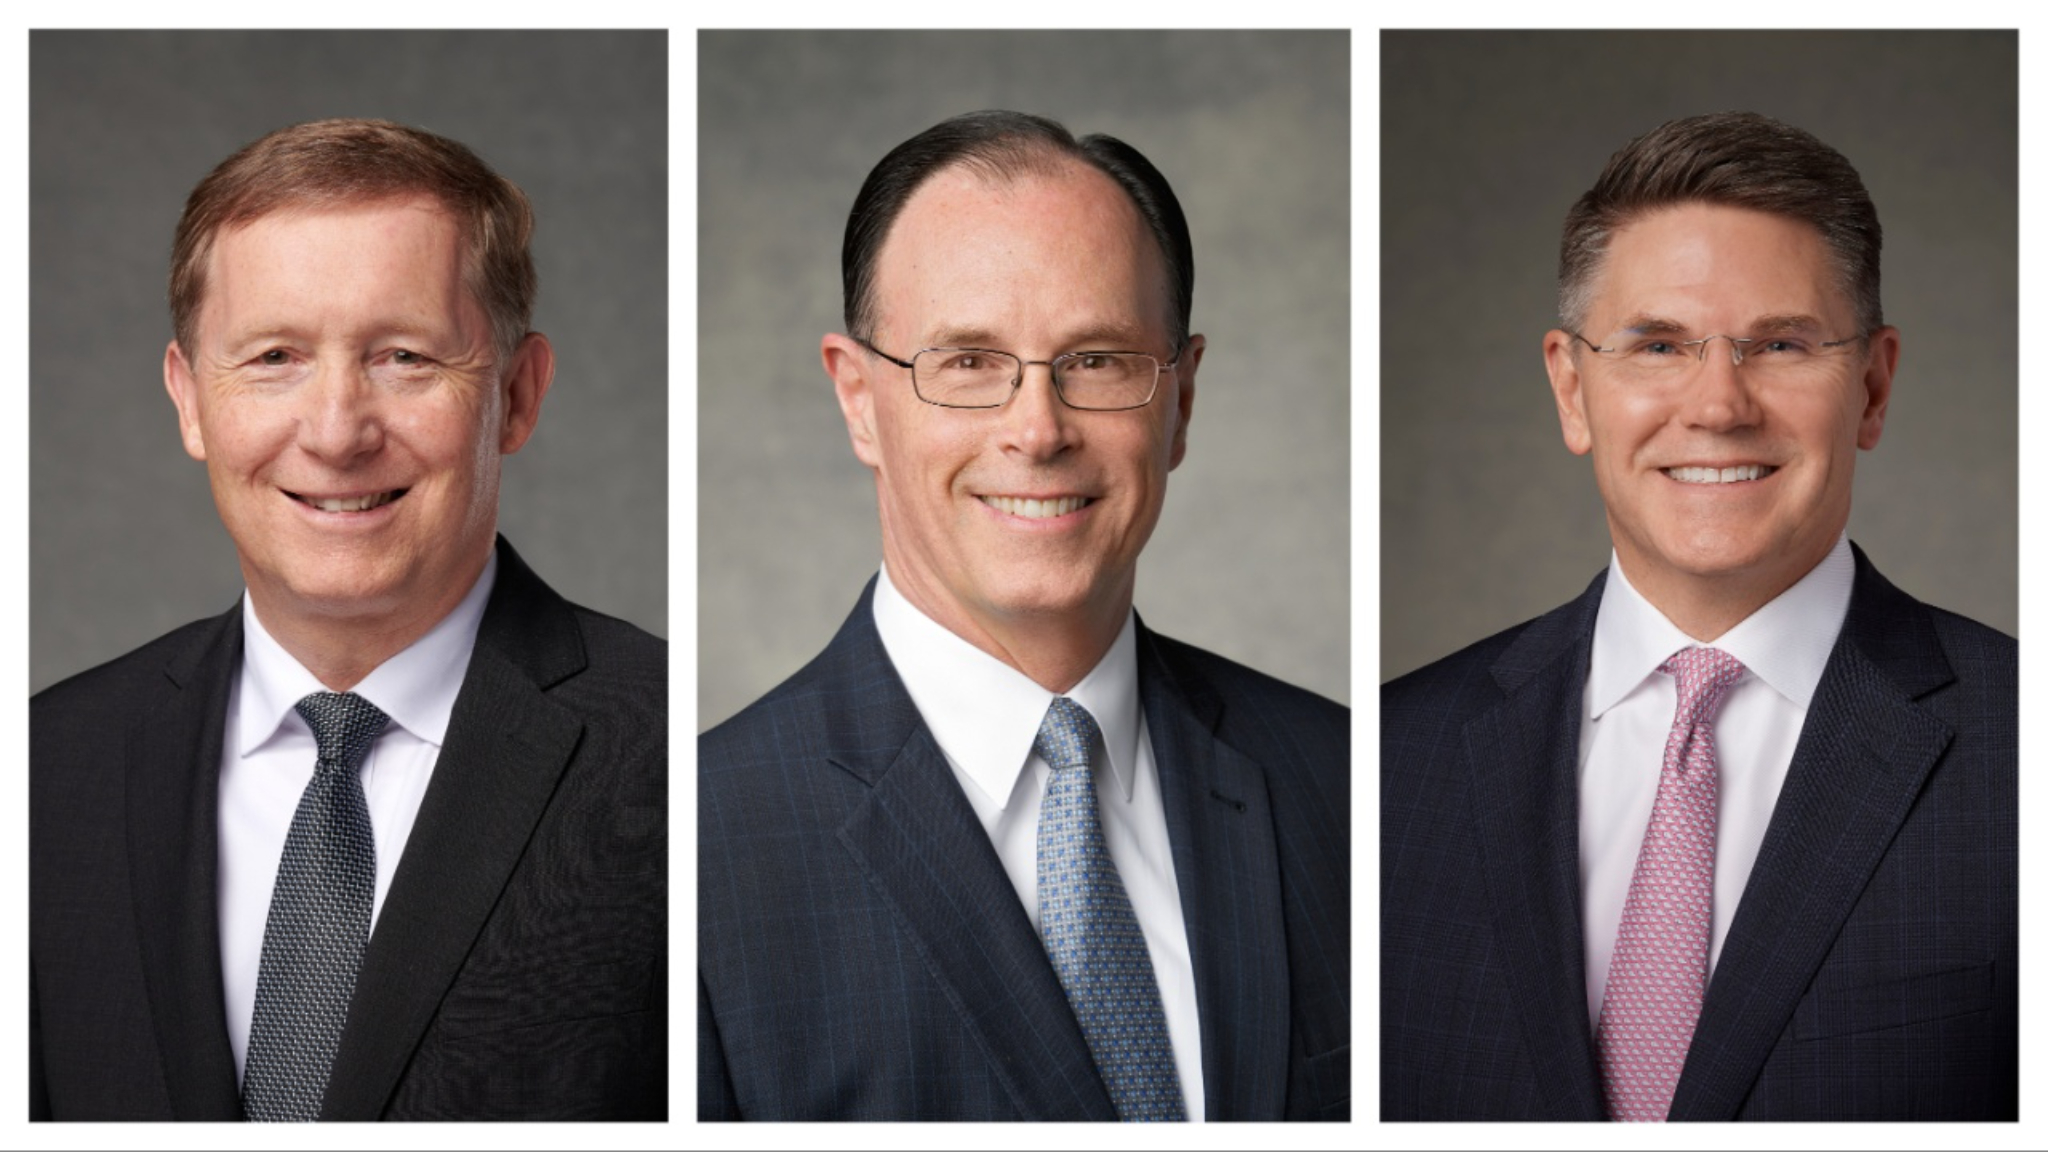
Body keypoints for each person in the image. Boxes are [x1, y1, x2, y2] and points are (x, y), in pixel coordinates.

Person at [697, 110, 1350, 1122]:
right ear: (858, 398)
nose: (1036, 429)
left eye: (1095, 360)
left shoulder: (1346, 785)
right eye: (966, 362)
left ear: (1178, 401)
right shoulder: (690, 854)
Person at [1380, 112, 2015, 1122]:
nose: (1717, 404)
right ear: (1570, 387)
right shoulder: (1385, 763)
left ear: (1872, 384)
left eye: (1778, 343)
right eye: (1657, 344)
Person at [29, 119, 666, 1122]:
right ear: (190, 400)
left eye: (404, 357)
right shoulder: (45, 772)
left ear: (516, 394)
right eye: (274, 356)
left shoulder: (678, 765)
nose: (334, 432)